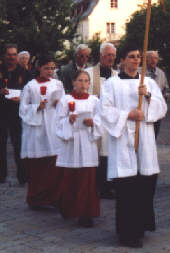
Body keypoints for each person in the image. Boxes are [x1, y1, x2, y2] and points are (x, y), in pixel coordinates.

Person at [100, 45, 167, 249]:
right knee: (127, 186)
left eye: (138, 57)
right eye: (131, 57)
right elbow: (104, 110)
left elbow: (162, 107)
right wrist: (128, 115)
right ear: (122, 60)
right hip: (123, 139)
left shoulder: (147, 82)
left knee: (144, 184)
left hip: (144, 138)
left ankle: (141, 226)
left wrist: (147, 97)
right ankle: (127, 232)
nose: (136, 60)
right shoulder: (111, 84)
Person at [55, 70, 102, 227]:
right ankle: (68, 208)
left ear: (89, 84)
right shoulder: (65, 100)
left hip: (87, 141)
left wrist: (93, 122)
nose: (83, 84)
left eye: (86, 81)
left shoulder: (94, 101)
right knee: (70, 176)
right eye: (80, 80)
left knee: (87, 178)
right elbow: (57, 121)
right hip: (71, 141)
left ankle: (86, 213)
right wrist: (68, 120)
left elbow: (101, 119)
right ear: (73, 82)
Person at [19, 55, 64, 208]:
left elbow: (64, 103)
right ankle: (36, 198)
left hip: (52, 126)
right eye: (47, 68)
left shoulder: (58, 84)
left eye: (52, 68)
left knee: (53, 164)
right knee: (38, 165)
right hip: (37, 128)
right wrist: (37, 107)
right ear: (39, 68)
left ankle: (53, 197)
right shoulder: (30, 86)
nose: (50, 71)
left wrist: (59, 103)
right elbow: (23, 109)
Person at [0, 44, 32, 185]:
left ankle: (22, 176)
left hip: (17, 113)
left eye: (14, 54)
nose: (12, 57)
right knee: (0, 145)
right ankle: (1, 174)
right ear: (5, 56)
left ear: (17, 56)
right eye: (9, 54)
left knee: (18, 145)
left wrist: (21, 98)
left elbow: (30, 92)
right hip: (0, 112)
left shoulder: (25, 72)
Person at [85, 42, 117, 199]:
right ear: (100, 56)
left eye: (112, 55)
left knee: (109, 153)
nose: (110, 58)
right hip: (95, 120)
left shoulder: (117, 76)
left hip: (110, 121)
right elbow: (84, 94)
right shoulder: (89, 74)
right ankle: (95, 185)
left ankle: (108, 185)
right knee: (95, 153)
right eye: (107, 55)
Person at [145, 50, 169, 138]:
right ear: (146, 59)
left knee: (154, 134)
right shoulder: (140, 72)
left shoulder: (161, 73)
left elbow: (165, 88)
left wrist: (165, 95)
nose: (153, 60)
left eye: (155, 58)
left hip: (156, 109)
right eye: (151, 58)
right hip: (144, 109)